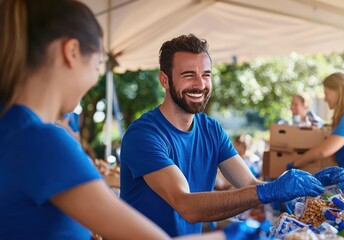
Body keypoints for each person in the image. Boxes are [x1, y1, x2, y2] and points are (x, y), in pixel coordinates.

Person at [0, 1, 260, 239]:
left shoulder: (14, 129)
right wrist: (232, 235)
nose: (94, 79)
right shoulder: (43, 141)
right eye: (98, 65)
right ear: (71, 52)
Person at [120, 34, 344, 237]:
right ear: (164, 80)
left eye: (206, 74)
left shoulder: (211, 129)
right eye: (189, 75)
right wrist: (271, 190)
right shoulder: (143, 135)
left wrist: (310, 187)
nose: (200, 84)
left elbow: (249, 184)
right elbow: (186, 205)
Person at [288, 72, 344, 179]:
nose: (325, 99)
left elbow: (324, 151)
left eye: (326, 93)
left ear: (338, 92)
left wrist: (295, 163)